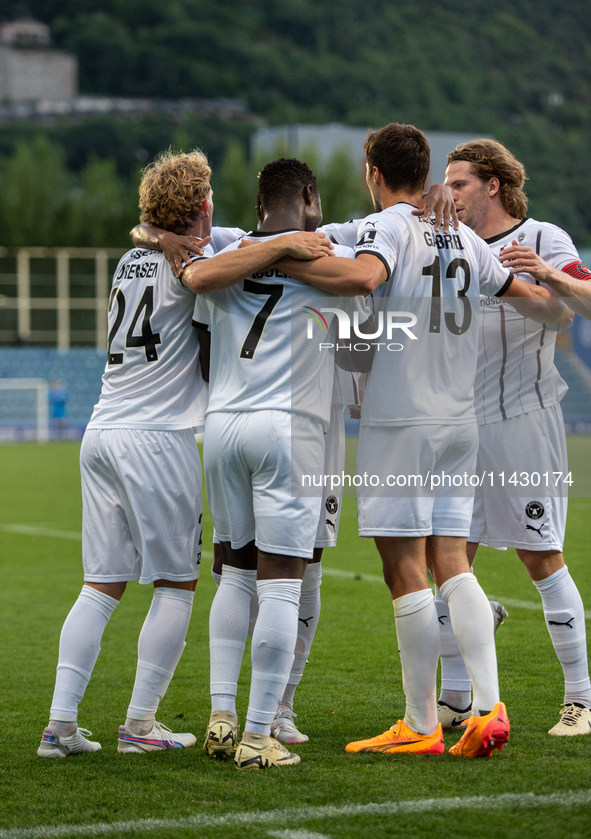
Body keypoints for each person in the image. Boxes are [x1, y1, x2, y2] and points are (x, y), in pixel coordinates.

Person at [277, 123, 561, 758]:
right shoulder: (460, 232)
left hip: (401, 422)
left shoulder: (387, 228)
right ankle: (488, 708)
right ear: (428, 172)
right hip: (461, 421)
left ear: (373, 173)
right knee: (451, 561)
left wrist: (283, 258)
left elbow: (361, 279)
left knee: (404, 568)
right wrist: (555, 287)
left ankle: (421, 723)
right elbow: (539, 304)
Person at [37, 149, 332, 759]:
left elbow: (158, 238)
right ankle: (140, 723)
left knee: (101, 583)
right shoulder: (192, 263)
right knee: (176, 583)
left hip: (102, 432)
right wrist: (287, 246)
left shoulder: (131, 258)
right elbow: (212, 290)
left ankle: (60, 725)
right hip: (159, 435)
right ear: (203, 208)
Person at [192, 157, 369, 770]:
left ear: (258, 200)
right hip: (288, 427)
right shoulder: (324, 261)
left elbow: (207, 352)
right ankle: (261, 734)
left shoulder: (225, 259)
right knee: (283, 581)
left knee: (234, 572)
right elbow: (358, 345)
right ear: (311, 197)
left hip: (222, 425)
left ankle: (221, 715)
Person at [438, 138, 591, 736]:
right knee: (447, 562)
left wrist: (551, 276)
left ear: (493, 185)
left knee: (541, 556)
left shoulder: (545, 237)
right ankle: (454, 697)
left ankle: (580, 699)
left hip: (524, 419)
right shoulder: (449, 245)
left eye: (459, 184)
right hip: (460, 428)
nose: (448, 194)